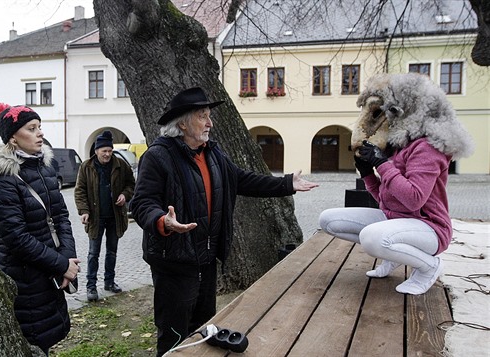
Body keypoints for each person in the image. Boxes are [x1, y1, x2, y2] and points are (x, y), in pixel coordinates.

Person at [131, 87, 318, 356]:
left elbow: (243, 180)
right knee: (173, 334)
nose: (210, 123)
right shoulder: (158, 156)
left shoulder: (213, 154)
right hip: (174, 262)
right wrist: (162, 221)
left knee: (204, 327)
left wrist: (287, 183)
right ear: (182, 123)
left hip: (207, 259)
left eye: (209, 115)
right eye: (202, 116)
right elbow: (142, 203)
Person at [318, 73, 474, 296]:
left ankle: (429, 267)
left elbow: (413, 199)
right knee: (329, 220)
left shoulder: (427, 147)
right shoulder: (400, 146)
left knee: (372, 237)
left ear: (405, 110)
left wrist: (381, 163)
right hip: (396, 220)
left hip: (429, 228)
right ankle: (393, 255)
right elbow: (386, 200)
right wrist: (368, 174)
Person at [0, 103, 81, 354]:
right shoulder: (1, 178)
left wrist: (67, 259)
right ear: (12, 137)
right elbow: (15, 237)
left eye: (40, 127)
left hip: (49, 272)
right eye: (32, 128)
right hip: (25, 278)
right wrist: (61, 265)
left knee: (48, 339)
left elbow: (61, 217)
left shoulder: (43, 167)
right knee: (33, 341)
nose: (40, 133)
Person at [74, 130, 136, 302]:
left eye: (109, 150)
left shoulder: (120, 165)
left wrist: (125, 194)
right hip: (95, 218)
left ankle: (109, 282)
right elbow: (79, 191)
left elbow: (131, 184)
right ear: (97, 151)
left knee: (112, 251)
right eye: (104, 151)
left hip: (115, 217)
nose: (107, 154)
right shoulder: (86, 166)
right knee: (93, 253)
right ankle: (91, 286)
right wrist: (84, 211)